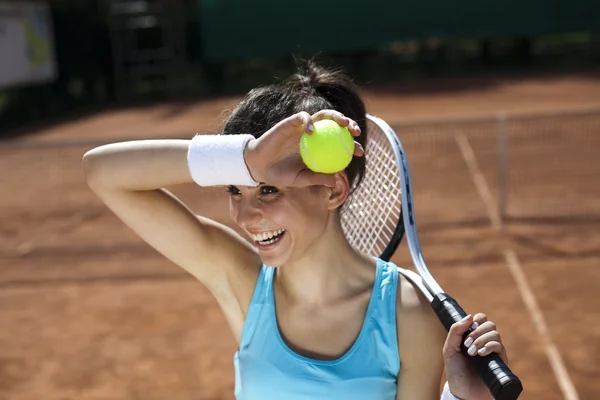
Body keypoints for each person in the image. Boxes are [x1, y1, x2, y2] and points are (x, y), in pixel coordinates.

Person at [82, 62, 509, 400]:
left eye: (267, 190)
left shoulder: (409, 314)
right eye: (235, 189)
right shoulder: (241, 280)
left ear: (332, 189)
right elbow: (102, 172)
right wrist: (246, 158)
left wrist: (461, 399)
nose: (247, 217)